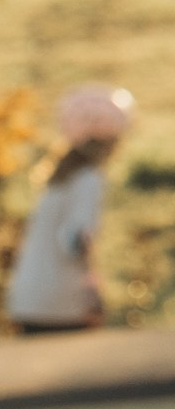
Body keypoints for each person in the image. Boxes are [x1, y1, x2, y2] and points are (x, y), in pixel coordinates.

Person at [8, 85, 135, 335]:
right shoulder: (88, 179)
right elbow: (76, 239)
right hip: (61, 302)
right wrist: (92, 290)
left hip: (28, 297)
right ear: (108, 141)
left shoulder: (59, 177)